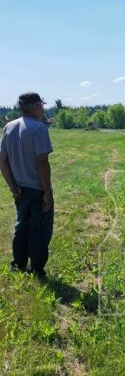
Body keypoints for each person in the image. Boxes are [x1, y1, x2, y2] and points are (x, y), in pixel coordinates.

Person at [0, 92, 54, 278]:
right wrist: (48, 192)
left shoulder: (9, 127)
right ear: (38, 106)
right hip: (37, 190)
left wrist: (12, 186)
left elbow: (2, 161)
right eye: (42, 106)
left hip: (20, 191)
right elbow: (42, 162)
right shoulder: (39, 129)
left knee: (21, 226)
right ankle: (37, 270)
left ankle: (19, 264)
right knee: (39, 231)